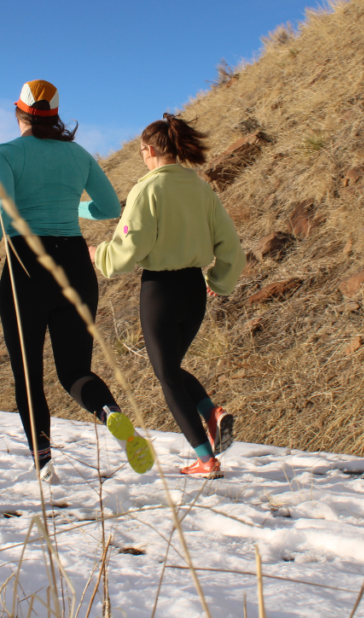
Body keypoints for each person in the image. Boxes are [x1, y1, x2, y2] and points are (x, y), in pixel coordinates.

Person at [0, 79, 153, 483]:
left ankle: (44, 463)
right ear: (56, 114)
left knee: (28, 372)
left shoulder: (3, 154)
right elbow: (110, 207)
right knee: (74, 370)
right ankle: (109, 412)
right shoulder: (77, 155)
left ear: (18, 111)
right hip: (74, 262)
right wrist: (69, 207)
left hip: (27, 263)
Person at [91, 114, 245, 479]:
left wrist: (99, 255)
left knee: (167, 377)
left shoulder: (148, 189)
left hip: (159, 290)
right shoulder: (201, 188)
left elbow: (129, 248)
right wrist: (219, 280)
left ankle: (206, 459)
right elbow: (231, 246)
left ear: (148, 150)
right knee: (171, 370)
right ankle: (211, 413)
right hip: (194, 290)